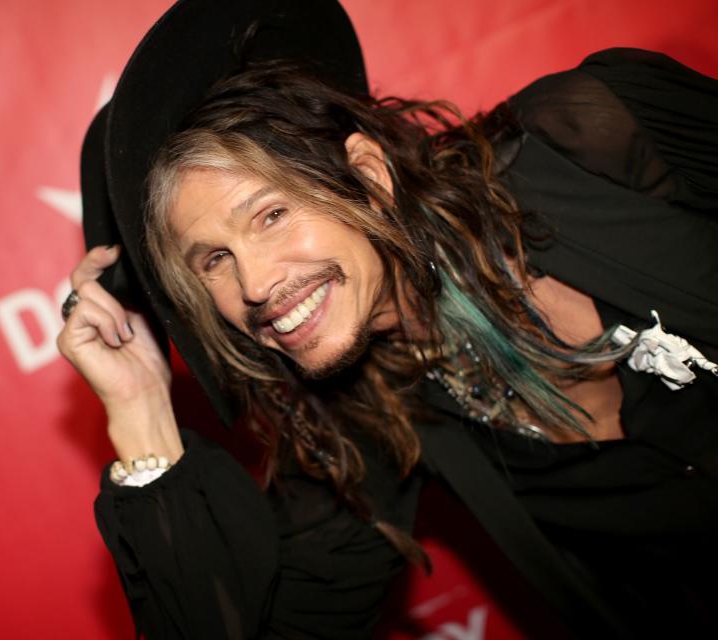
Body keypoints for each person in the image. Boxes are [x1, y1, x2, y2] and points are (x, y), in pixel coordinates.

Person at [57, 1, 718, 637]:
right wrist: (142, 412)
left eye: (271, 214)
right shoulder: (356, 427)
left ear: (369, 176)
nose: (254, 284)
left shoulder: (591, 138)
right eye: (214, 262)